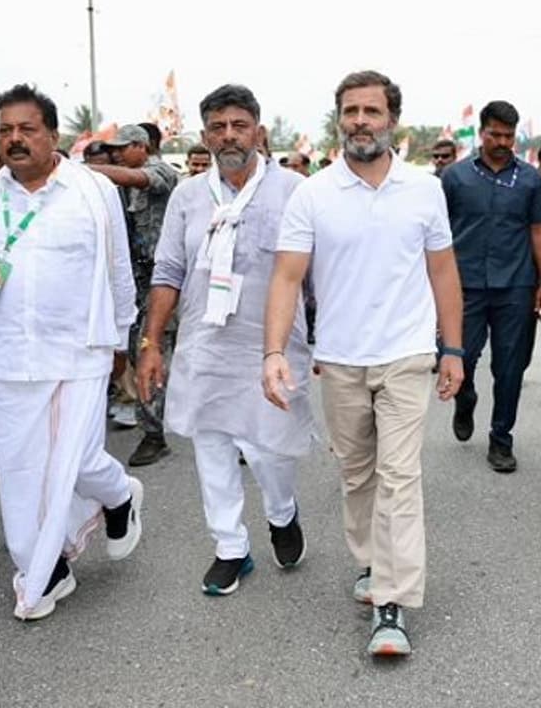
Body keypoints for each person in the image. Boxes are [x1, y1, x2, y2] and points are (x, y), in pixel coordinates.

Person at [263, 70, 463, 656]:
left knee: (400, 478)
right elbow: (288, 275)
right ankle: (374, 562)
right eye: (350, 111)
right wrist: (274, 352)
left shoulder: (424, 189)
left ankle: (392, 603)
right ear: (339, 120)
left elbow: (443, 271)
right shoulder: (313, 193)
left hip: (405, 354)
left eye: (371, 111)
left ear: (391, 120)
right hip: (340, 359)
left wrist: (452, 349)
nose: (359, 121)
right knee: (358, 476)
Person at [0, 84, 143, 620]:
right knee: (21, 469)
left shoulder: (90, 190)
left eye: (26, 129)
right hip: (11, 357)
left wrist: (122, 337)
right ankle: (42, 570)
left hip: (80, 349)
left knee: (73, 459)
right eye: (5, 130)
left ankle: (119, 493)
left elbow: (117, 266)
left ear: (53, 136)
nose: (15, 139)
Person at [137, 84, 314, 596]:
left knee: (269, 449)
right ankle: (230, 547)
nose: (229, 135)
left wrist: (324, 339)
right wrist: (150, 344)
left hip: (274, 346)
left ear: (259, 131)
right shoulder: (189, 196)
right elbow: (169, 269)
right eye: (218, 126)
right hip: (205, 343)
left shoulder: (295, 191)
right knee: (212, 442)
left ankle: (282, 513)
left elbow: (315, 272)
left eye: (239, 125)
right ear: (205, 135)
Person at [442, 100, 541, 472]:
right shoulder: (454, 178)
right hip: (465, 286)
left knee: (510, 368)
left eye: (509, 136)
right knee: (462, 355)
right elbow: (439, 236)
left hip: (515, 286)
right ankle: (465, 395)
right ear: (482, 133)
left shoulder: (531, 179)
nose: (503, 142)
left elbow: (539, 230)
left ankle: (501, 439)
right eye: (496, 134)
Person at [90, 123, 181, 467]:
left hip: (164, 282)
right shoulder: (122, 185)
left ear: (142, 147)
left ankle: (154, 434)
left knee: (150, 350)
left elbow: (140, 179)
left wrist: (85, 171)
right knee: (137, 349)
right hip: (136, 281)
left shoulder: (159, 171)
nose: (117, 153)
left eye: (123, 147)